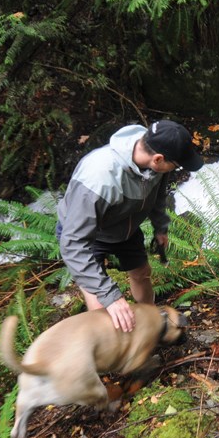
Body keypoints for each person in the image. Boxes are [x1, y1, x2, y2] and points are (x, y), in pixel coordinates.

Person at [57, 120, 203, 332]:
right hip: (86, 235)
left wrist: (160, 227)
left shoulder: (154, 153)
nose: (175, 169)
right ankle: (113, 353)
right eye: (176, 165)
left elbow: (158, 194)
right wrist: (111, 297)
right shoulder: (98, 179)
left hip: (125, 225)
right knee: (101, 306)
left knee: (142, 273)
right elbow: (73, 245)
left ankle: (150, 325)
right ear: (158, 159)